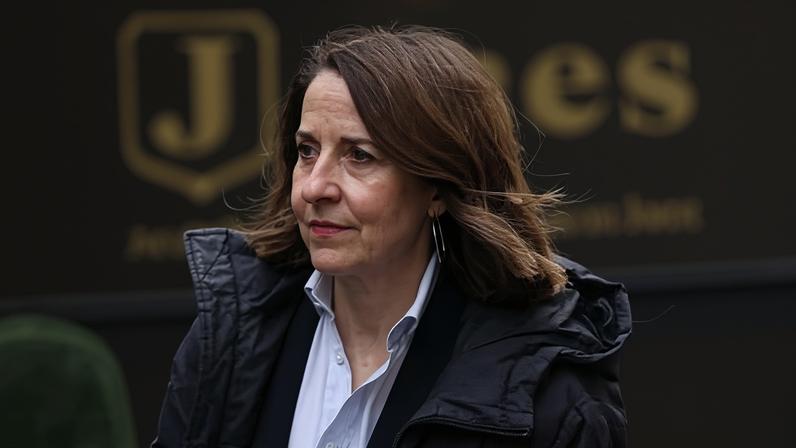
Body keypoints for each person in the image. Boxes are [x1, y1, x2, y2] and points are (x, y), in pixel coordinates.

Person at [151, 25, 631, 448]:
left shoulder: (545, 385)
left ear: (439, 187)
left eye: (359, 155)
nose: (315, 186)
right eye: (306, 150)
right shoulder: (233, 337)